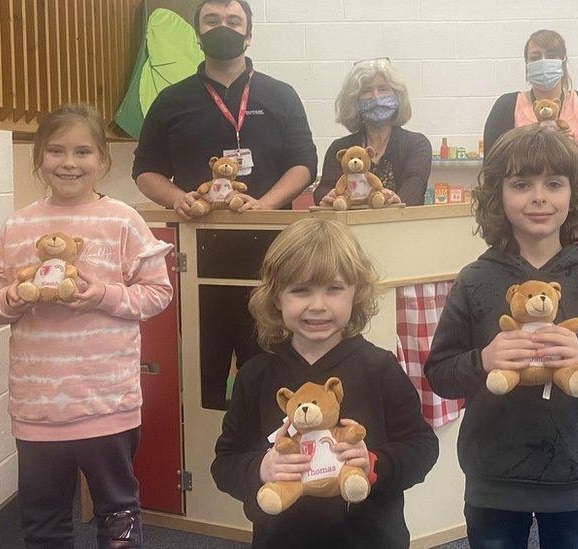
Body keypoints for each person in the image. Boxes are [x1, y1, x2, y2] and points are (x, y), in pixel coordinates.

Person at [423, 125, 578, 548]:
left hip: (573, 474)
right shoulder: (475, 280)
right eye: (522, 184)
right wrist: (483, 360)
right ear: (498, 196)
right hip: (493, 476)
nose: (539, 197)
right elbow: (440, 374)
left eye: (554, 184)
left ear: (573, 194)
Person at [0, 104, 174, 549]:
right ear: (38, 159)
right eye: (56, 150)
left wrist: (101, 294)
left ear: (102, 160)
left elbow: (157, 295)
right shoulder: (17, 225)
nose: (69, 162)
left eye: (83, 151)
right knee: (43, 521)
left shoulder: (123, 220)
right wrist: (13, 297)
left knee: (117, 512)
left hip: (107, 401)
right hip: (38, 407)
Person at [133, 0, 318, 410]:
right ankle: (207, 459)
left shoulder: (280, 95)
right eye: (212, 21)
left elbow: (306, 163)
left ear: (248, 35)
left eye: (233, 22)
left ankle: (274, 458)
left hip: (272, 258)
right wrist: (178, 198)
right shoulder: (171, 100)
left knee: (272, 370)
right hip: (198, 258)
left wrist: (265, 203)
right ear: (198, 35)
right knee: (204, 376)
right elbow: (145, 171)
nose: (223, 28)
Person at [211, 218, 439, 548]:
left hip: (369, 539)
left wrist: (374, 464)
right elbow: (225, 462)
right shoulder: (255, 375)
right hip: (281, 540)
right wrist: (262, 468)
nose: (317, 305)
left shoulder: (379, 367)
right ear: (277, 298)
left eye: (333, 288)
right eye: (300, 290)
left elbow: (421, 447)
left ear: (356, 292)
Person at [483, 29, 578, 266]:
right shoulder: (506, 106)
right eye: (535, 57)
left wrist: (566, 150)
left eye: (551, 55)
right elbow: (492, 169)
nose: (542, 62)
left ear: (563, 62)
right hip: (521, 228)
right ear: (526, 64)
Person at [314, 58, 431, 207]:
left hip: (401, 225)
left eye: (383, 89)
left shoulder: (417, 144)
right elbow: (323, 189)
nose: (376, 97)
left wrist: (396, 202)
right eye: (366, 91)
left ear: (397, 97)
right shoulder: (339, 148)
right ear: (354, 102)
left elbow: (415, 184)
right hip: (351, 227)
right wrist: (328, 196)